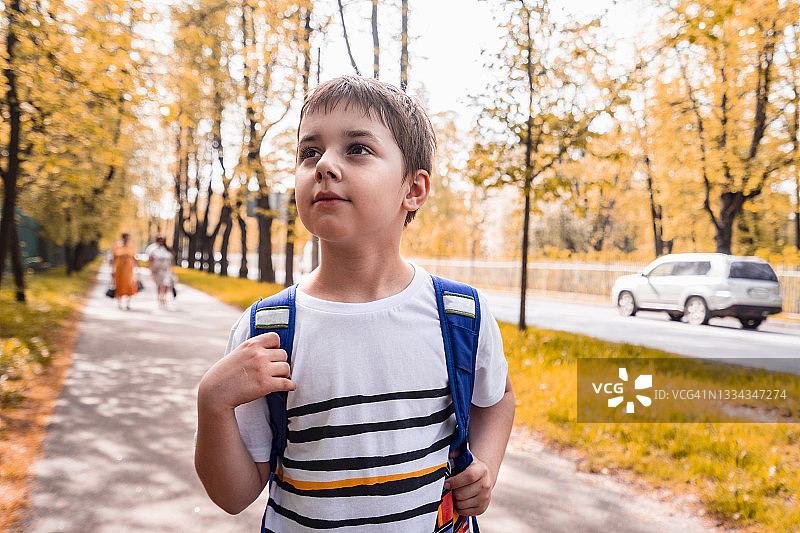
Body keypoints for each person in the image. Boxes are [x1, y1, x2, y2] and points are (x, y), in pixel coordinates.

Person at [195, 76, 515, 532]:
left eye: (357, 149)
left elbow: (497, 397)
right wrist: (212, 402)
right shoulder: (267, 330)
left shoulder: (460, 317)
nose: (325, 164)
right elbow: (233, 495)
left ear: (414, 190)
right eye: (310, 152)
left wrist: (485, 466)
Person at [146, 235, 176, 309]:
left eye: (162, 240)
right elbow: (150, 261)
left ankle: (164, 296)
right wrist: (151, 271)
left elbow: (171, 261)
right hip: (157, 270)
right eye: (159, 240)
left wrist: (173, 270)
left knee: (166, 285)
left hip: (166, 270)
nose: (161, 242)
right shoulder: (153, 250)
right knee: (159, 285)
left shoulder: (168, 250)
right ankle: (160, 298)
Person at [111, 232, 138, 310]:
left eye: (128, 238)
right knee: (119, 285)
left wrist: (137, 269)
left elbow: (134, 258)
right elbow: (113, 259)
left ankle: (128, 304)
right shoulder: (117, 246)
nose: (127, 240)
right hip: (119, 269)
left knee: (129, 285)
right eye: (125, 238)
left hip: (129, 270)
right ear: (122, 238)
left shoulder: (132, 247)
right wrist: (112, 269)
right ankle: (119, 303)